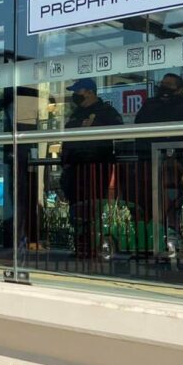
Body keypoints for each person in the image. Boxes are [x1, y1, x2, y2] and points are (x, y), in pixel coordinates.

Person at [130, 73, 183, 249]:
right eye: (163, 83)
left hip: (173, 166)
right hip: (146, 163)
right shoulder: (149, 104)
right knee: (146, 206)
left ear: (179, 88)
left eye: (169, 84)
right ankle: (147, 245)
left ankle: (169, 246)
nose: (164, 86)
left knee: (170, 208)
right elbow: (138, 131)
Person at [60, 79, 123, 259]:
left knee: (93, 207)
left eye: (78, 91)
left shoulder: (107, 112)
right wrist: (65, 162)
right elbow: (68, 139)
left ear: (89, 92)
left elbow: (119, 135)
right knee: (76, 208)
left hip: (96, 166)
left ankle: (93, 246)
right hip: (74, 167)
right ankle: (80, 246)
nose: (75, 95)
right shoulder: (76, 114)